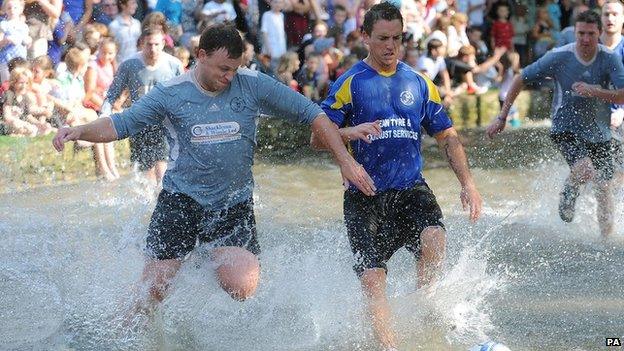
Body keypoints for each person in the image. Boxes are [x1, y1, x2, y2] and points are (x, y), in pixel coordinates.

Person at [52, 23, 375, 322]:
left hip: (232, 206)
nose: (229, 77)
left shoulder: (252, 83)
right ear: (200, 56)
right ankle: (123, 331)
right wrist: (78, 130)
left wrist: (345, 161)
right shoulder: (171, 92)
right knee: (153, 292)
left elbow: (313, 115)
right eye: (223, 69)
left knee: (242, 288)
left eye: (234, 69)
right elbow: (119, 124)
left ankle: (204, 254)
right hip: (181, 203)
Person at [311, 3, 483, 350]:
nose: (390, 46)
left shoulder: (419, 83)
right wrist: (350, 131)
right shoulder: (350, 83)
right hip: (365, 196)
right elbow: (317, 138)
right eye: (382, 39)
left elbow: (447, 137)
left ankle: (424, 304)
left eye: (397, 38)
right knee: (375, 284)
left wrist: (468, 184)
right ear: (365, 38)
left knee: (435, 237)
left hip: (410, 189)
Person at [486, 10, 624, 238]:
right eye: (581, 34)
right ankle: (570, 187)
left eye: (591, 34)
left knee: (604, 188)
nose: (586, 39)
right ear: (574, 32)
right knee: (585, 170)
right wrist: (502, 117)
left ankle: (605, 241)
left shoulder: (609, 58)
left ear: (599, 33)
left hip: (600, 132)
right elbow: (521, 78)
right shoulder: (560, 56)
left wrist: (596, 91)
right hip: (565, 128)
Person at [100, 27, 183, 186]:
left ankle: (164, 200)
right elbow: (112, 93)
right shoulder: (129, 65)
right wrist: (104, 114)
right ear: (141, 44)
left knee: (163, 171)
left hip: (164, 124)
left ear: (164, 43)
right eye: (149, 45)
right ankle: (148, 206)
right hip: (138, 123)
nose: (153, 49)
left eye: (157, 44)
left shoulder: (174, 65)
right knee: (146, 178)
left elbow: (185, 95)